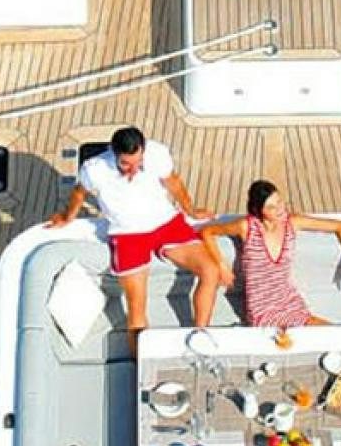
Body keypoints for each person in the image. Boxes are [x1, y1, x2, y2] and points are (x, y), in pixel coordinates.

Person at [45, 127, 220, 352]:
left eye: (139, 163)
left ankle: (200, 337)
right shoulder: (95, 169)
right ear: (114, 154)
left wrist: (191, 210)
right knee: (137, 308)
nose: (134, 170)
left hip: (166, 222)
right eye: (126, 164)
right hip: (128, 234)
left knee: (210, 270)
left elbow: (174, 182)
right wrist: (67, 217)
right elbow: (80, 193)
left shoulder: (157, 154)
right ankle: (139, 364)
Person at [199, 181, 341, 328]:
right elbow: (207, 232)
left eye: (280, 202)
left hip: (289, 301)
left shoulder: (291, 222)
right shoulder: (247, 227)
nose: (280, 209)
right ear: (258, 210)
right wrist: (221, 265)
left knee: (332, 333)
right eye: (271, 207)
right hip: (261, 310)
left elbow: (340, 226)